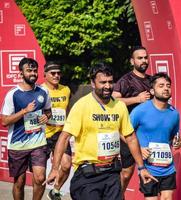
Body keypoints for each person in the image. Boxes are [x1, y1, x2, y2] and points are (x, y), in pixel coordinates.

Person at [44, 63, 157, 200]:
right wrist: (55, 169)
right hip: (88, 176)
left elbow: (131, 137)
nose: (108, 86)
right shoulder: (82, 105)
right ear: (93, 83)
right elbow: (64, 137)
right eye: (103, 82)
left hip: (112, 173)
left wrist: (141, 168)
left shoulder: (119, 106)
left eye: (110, 82)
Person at [1, 58, 52, 200]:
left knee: (40, 177)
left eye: (35, 70)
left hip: (38, 142)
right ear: (21, 73)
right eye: (29, 70)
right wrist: (24, 111)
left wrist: (46, 117)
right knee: (19, 182)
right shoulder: (13, 94)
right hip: (18, 145)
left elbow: (48, 111)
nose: (33, 73)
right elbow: (4, 121)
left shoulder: (43, 91)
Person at [130, 72, 180, 200]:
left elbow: (173, 137)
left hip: (167, 167)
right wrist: (139, 148)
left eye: (168, 85)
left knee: (167, 198)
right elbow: (123, 132)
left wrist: (177, 142)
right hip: (148, 167)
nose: (166, 88)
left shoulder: (174, 114)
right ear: (152, 90)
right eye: (161, 86)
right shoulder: (140, 111)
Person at [112, 46, 152, 197]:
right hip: (128, 133)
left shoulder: (151, 80)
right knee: (127, 173)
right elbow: (113, 101)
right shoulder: (126, 80)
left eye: (145, 57)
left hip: (148, 133)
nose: (143, 60)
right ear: (132, 61)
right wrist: (137, 99)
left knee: (150, 170)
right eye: (139, 58)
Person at [42, 61, 71, 200]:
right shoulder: (40, 90)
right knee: (39, 174)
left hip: (60, 133)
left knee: (66, 165)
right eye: (53, 73)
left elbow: (65, 110)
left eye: (59, 73)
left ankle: (55, 191)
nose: (56, 75)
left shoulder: (66, 89)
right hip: (43, 134)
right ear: (45, 74)